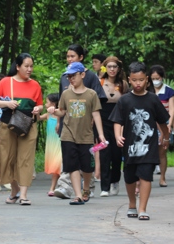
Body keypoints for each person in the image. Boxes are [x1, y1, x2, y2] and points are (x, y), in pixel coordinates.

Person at [110, 62, 170, 220]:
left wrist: (166, 136)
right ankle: (132, 204)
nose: (138, 83)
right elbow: (118, 121)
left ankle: (143, 209)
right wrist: (117, 135)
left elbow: (162, 121)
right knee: (129, 177)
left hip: (149, 146)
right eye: (135, 80)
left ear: (147, 80)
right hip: (130, 146)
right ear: (129, 80)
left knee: (146, 175)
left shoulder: (153, 99)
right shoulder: (124, 100)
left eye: (141, 80)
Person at [48, 63, 106, 204]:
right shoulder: (66, 93)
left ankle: (86, 189)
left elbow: (96, 115)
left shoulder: (91, 94)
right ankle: (78, 195)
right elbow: (62, 111)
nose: (71, 79)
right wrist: (54, 111)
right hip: (68, 134)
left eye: (73, 75)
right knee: (71, 165)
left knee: (87, 167)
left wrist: (101, 135)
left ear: (82, 75)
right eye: (69, 76)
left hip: (86, 135)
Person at [0, 53, 43, 206]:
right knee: (7, 158)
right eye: (26, 66)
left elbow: (39, 104)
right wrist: (7, 104)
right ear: (18, 66)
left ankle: (23, 195)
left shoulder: (35, 85)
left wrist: (38, 109)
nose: (29, 69)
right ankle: (14, 191)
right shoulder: (6, 82)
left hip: (28, 125)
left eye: (31, 66)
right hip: (8, 125)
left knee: (25, 159)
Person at [97, 56, 129, 197]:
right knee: (104, 153)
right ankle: (104, 186)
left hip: (118, 121)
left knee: (117, 154)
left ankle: (115, 181)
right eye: (109, 66)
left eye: (114, 67)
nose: (112, 69)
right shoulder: (99, 82)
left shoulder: (124, 84)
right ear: (105, 68)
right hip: (102, 121)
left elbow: (127, 105)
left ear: (119, 69)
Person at [149, 65, 174, 187]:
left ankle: (163, 177)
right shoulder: (147, 90)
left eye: (157, 77)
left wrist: (169, 125)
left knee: (162, 153)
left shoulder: (169, 91)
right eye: (153, 78)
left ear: (162, 77)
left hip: (165, 125)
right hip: (149, 125)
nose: (155, 80)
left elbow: (171, 109)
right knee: (148, 152)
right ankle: (146, 177)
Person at [39, 93, 62, 196]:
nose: (45, 104)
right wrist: (36, 111)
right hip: (51, 144)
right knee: (55, 167)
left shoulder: (60, 114)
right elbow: (38, 118)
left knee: (58, 164)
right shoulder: (48, 115)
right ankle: (55, 187)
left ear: (53, 103)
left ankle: (56, 187)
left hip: (59, 142)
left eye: (47, 102)